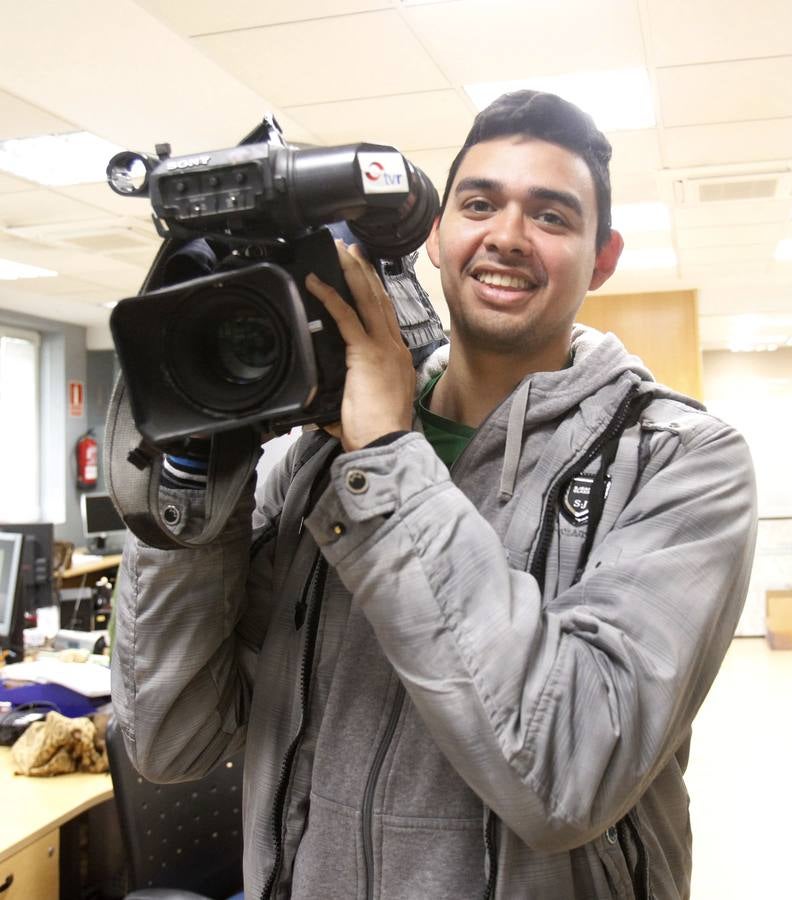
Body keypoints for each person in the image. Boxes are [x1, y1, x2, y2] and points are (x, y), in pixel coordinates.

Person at [111, 91, 757, 900]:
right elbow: (170, 742)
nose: (508, 236)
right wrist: (200, 477)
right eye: (480, 203)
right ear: (437, 237)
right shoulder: (317, 463)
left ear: (603, 258)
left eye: (552, 216)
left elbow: (567, 772)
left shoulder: (681, 461)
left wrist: (388, 453)